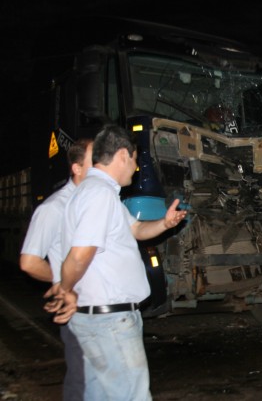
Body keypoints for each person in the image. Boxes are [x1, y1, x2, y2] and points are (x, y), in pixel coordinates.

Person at [54, 124, 187, 400]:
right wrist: (65, 290)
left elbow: (136, 230)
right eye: (136, 159)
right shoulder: (99, 195)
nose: (137, 167)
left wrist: (164, 223)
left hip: (97, 319)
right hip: (110, 321)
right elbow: (79, 255)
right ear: (123, 155)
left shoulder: (100, 194)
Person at [19, 138, 93, 401]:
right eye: (95, 162)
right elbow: (29, 262)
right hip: (79, 308)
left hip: (104, 306)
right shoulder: (53, 209)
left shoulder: (98, 204)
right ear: (77, 168)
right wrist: (62, 281)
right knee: (83, 380)